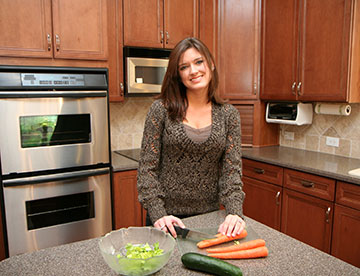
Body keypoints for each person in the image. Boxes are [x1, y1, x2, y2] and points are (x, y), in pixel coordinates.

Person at [137, 37, 245, 239]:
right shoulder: (161, 111)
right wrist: (159, 214)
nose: (193, 71)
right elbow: (147, 171)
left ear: (210, 64)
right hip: (166, 220)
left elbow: (232, 174)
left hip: (208, 218)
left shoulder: (229, 115)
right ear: (178, 75)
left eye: (198, 62)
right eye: (184, 67)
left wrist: (234, 213)